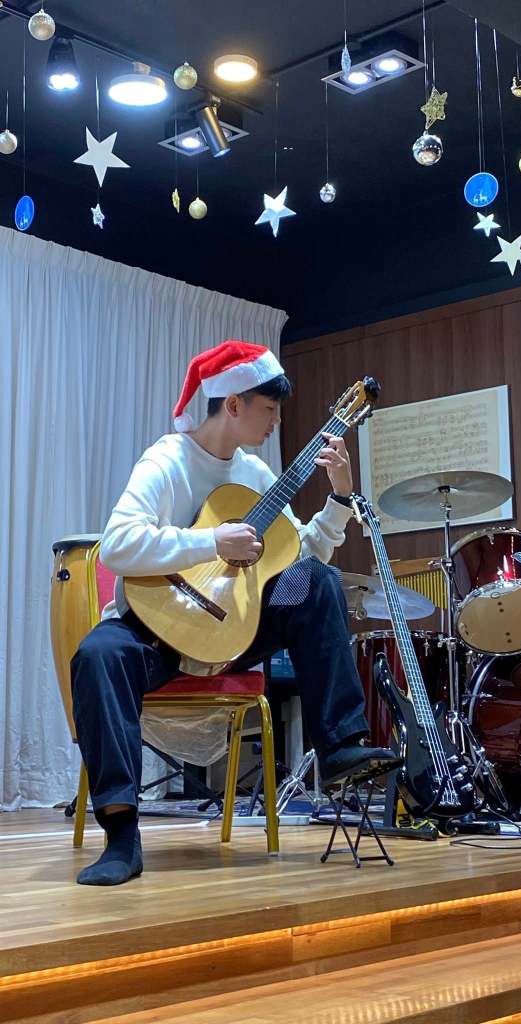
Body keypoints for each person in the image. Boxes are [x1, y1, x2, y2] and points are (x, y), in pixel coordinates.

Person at [71, 340, 402, 886]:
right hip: (156, 632)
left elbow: (300, 555)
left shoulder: (254, 473)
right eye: (268, 409)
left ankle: (340, 746)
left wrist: (340, 498)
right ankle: (121, 837)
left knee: (317, 581)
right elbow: (117, 546)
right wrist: (211, 542)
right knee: (97, 655)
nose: (276, 422)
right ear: (232, 404)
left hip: (232, 631)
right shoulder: (166, 460)